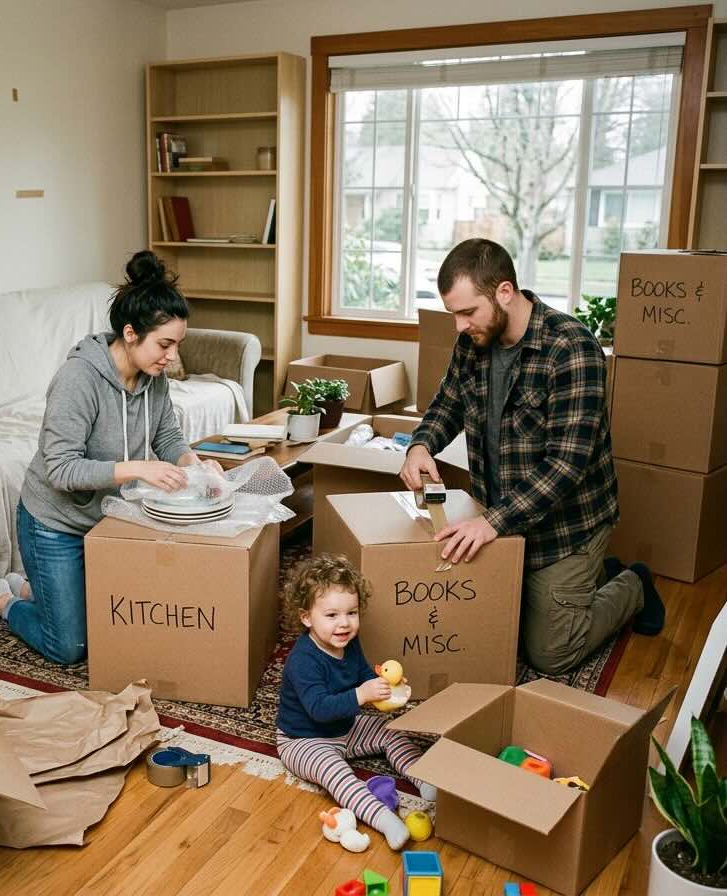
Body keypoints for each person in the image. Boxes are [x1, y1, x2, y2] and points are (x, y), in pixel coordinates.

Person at [400, 238, 664, 676]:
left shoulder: (572, 348)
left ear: (504, 292)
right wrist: (420, 445)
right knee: (486, 626)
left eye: (467, 312)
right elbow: (447, 404)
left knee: (549, 654)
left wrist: (490, 523)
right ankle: (587, 580)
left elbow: (565, 466)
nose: (460, 326)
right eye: (454, 315)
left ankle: (632, 584)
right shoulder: (473, 341)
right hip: (503, 517)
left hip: (566, 529)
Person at [0, 251, 222, 663]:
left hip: (108, 519)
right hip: (54, 524)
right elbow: (61, 469)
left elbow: (167, 434)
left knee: (124, 621)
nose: (172, 356)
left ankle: (31, 588)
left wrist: (194, 466)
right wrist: (138, 469)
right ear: (129, 333)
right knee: (70, 647)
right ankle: (4, 598)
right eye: (165, 344)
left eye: (177, 344)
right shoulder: (78, 380)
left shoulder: (153, 379)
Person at [275, 554, 437, 851]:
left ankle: (421, 776)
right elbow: (319, 709)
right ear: (306, 617)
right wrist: (362, 694)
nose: (344, 624)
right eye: (332, 615)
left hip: (346, 726)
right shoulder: (303, 660)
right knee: (337, 774)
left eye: (352, 613)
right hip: (303, 740)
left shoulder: (348, 643)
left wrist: (388, 691)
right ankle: (384, 819)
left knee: (391, 730)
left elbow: (362, 674)